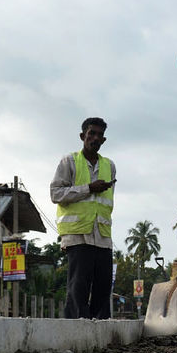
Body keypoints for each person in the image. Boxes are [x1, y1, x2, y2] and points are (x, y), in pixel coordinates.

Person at [50, 117, 116, 319]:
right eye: (91, 134)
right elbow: (56, 194)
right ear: (82, 136)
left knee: (104, 285)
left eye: (99, 135)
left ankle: (99, 330)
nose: (95, 138)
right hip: (77, 233)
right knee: (79, 284)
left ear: (104, 140)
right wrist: (88, 189)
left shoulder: (109, 165)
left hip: (102, 234)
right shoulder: (69, 162)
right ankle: (75, 328)